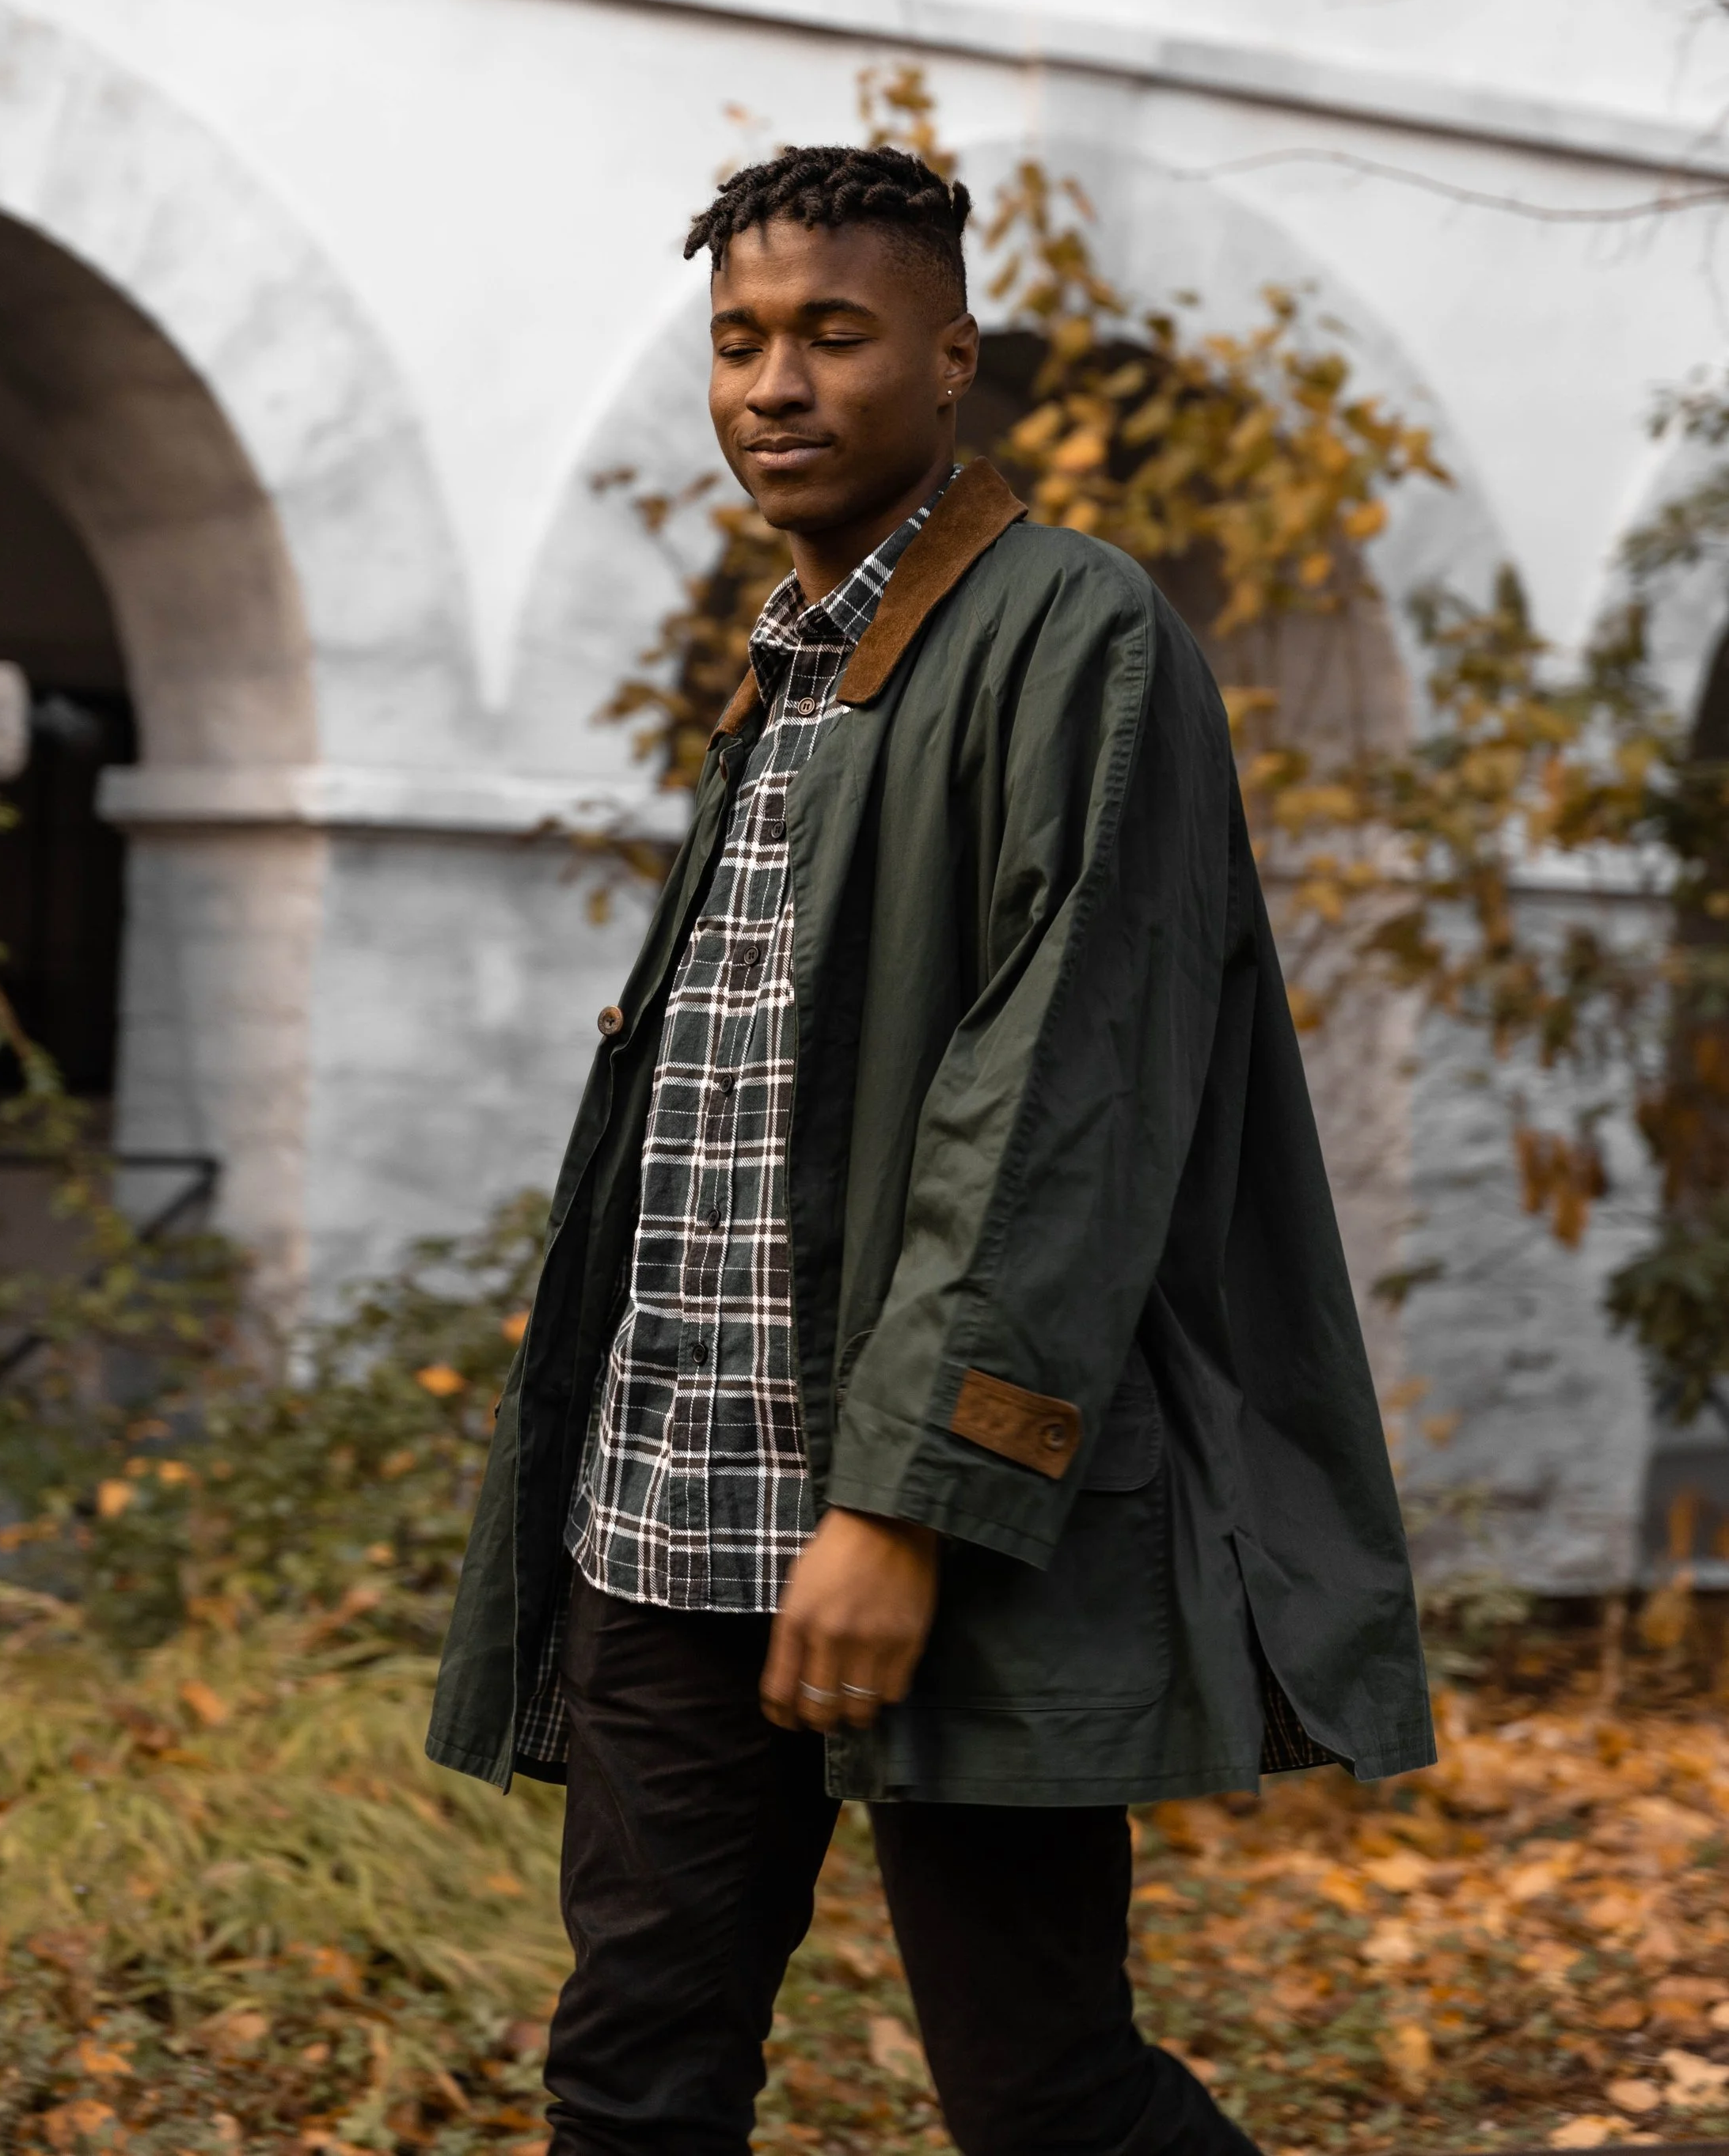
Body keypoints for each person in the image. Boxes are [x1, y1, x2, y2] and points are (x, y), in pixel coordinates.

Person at [428, 143, 1434, 2156]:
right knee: (631, 2071)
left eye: (829, 335)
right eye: (735, 342)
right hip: (666, 1514)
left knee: (1040, 2084)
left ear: (950, 354)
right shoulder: (789, 663)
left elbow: (1059, 1102)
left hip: (932, 1530)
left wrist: (901, 1510)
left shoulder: (1075, 635)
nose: (772, 386)